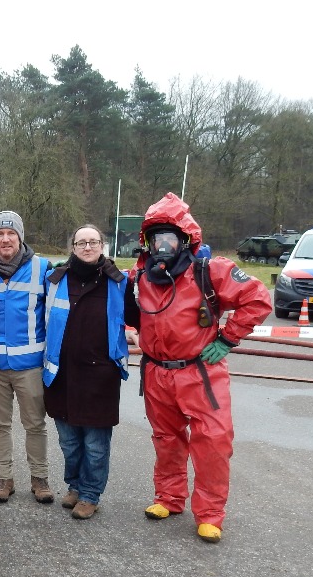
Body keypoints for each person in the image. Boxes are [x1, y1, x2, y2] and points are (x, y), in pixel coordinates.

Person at [124, 193, 272, 543]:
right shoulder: (139, 277)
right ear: (147, 242)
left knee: (213, 442)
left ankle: (209, 514)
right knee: (166, 439)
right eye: (156, 239)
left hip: (200, 371)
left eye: (170, 238)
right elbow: (120, 305)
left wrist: (227, 338)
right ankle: (169, 498)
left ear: (185, 239)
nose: (163, 246)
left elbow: (257, 299)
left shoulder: (210, 271)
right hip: (157, 372)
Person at [42, 224, 130, 520]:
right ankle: (75, 485)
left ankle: (90, 493)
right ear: (73, 247)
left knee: (95, 444)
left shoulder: (118, 282)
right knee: (69, 441)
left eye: (93, 242)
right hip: (61, 375)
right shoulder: (55, 280)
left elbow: (138, 316)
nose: (88, 247)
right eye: (82, 243)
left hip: (100, 377)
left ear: (102, 246)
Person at [0, 210, 54, 504]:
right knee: (0, 424)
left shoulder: (42, 268)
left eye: (11, 233)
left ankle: (40, 478)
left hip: (30, 366)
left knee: (35, 424)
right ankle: (4, 478)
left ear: (20, 237)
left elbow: (55, 313)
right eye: (0, 234)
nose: (5, 239)